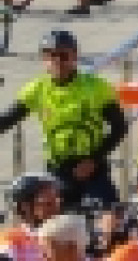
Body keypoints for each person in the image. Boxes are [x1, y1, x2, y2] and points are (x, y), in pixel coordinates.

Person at [0, 30, 129, 209]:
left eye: (63, 55)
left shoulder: (96, 87)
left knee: (111, 220)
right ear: (44, 59)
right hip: (58, 170)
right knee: (57, 227)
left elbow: (119, 127)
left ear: (75, 56)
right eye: (51, 56)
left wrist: (93, 160)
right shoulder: (36, 89)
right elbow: (7, 119)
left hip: (93, 168)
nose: (57, 62)